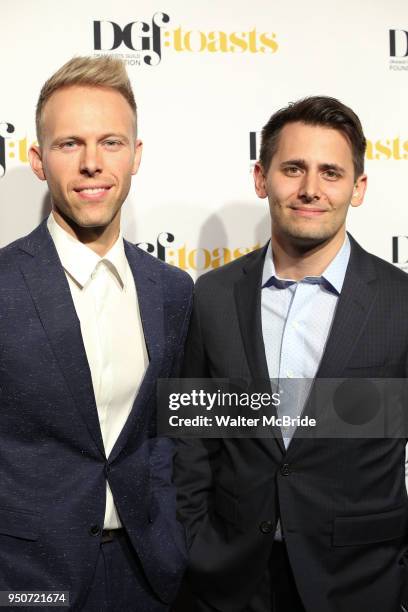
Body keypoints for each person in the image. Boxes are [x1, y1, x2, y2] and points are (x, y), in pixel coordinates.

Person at [173, 96, 408, 612]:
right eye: (293, 168)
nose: (310, 189)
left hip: (359, 583)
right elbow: (191, 437)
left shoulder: (401, 302)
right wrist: (197, 544)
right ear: (262, 178)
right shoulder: (212, 296)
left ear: (358, 187)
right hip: (233, 583)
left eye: (330, 172)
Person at [0, 56, 192, 611]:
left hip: (148, 572)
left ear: (136, 156)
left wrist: (177, 542)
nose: (91, 163)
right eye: (69, 144)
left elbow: (174, 432)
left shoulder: (172, 290)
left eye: (111, 142)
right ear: (37, 160)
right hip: (27, 578)